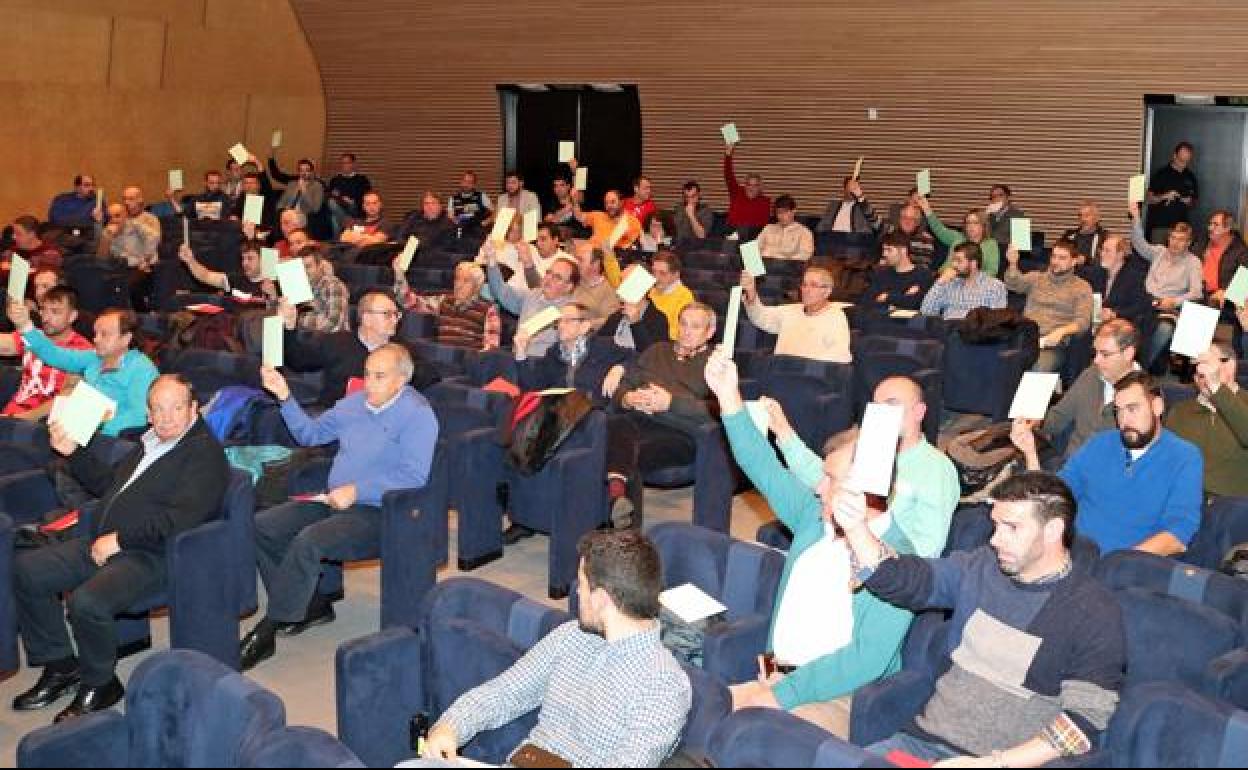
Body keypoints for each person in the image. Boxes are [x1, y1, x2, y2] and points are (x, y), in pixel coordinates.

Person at [705, 359, 945, 737]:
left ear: (870, 486)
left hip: (839, 697)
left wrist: (782, 694)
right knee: (699, 715)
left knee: (751, 737)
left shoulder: (897, 562)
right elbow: (762, 466)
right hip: (776, 674)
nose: (819, 488)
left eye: (830, 480)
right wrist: (728, 396)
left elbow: (866, 660)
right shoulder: (814, 516)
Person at [840, 471, 1125, 767]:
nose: (995, 539)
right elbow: (911, 580)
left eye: (1011, 528)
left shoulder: (1093, 610)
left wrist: (994, 763)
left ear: (1053, 530)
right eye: (995, 525)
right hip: (923, 744)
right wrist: (857, 529)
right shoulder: (981, 567)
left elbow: (1084, 720)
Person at [12, 375, 229, 723]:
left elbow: (181, 519)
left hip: (155, 555)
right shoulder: (150, 444)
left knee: (87, 601)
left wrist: (120, 540)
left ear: (194, 411)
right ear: (148, 413)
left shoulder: (203, 454)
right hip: (105, 543)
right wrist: (75, 453)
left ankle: (101, 683)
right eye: (158, 408)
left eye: (176, 407)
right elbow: (106, 485)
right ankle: (60, 665)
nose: (167, 416)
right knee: (27, 571)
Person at [413, 530, 691, 769]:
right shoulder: (572, 637)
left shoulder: (663, 686)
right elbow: (505, 692)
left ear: (603, 600)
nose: (577, 593)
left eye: (582, 585)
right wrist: (450, 727)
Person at [239, 345, 438, 670]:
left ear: (401, 381)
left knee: (309, 541)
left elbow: (414, 476)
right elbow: (309, 434)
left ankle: (269, 628)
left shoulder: (417, 414)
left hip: (381, 513)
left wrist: (359, 489)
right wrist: (286, 398)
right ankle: (310, 603)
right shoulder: (353, 405)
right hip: (335, 501)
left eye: (379, 377)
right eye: (367, 374)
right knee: (263, 527)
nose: (368, 384)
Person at [1013, 372, 1203, 557]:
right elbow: (1055, 496)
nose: (1124, 421)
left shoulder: (1184, 457)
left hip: (1121, 565)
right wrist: (1031, 453)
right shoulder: (1100, 443)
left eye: (1132, 409)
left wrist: (1121, 562)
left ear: (1157, 407)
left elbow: (1177, 535)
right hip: (1067, 549)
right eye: (1118, 411)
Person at [605, 303, 719, 528]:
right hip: (639, 419)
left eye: (695, 327)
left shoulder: (715, 363)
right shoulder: (657, 350)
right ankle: (617, 505)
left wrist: (670, 403)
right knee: (611, 427)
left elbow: (716, 410)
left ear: (710, 332)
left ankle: (619, 507)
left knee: (626, 452)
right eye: (683, 324)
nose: (686, 331)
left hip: (680, 433)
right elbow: (624, 385)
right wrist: (627, 398)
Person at [8, 303, 159, 437]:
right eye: (95, 333)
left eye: (104, 335)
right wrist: (25, 326)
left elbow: (139, 416)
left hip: (108, 440)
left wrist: (93, 425)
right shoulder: (95, 357)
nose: (96, 339)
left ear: (126, 339)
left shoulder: (142, 369)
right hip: (72, 431)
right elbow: (55, 355)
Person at [279, 290, 439, 407]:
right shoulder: (337, 342)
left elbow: (429, 377)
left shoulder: (400, 349)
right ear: (366, 318)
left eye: (396, 314)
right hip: (333, 417)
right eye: (387, 314)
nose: (394, 320)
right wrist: (289, 328)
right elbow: (297, 360)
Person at [1036, 320, 1141, 461]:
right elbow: (1058, 417)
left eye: (1105, 354)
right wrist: (1035, 423)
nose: (1096, 360)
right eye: (1095, 352)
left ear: (1128, 353)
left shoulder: (1145, 396)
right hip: (1069, 468)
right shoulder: (1090, 375)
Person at [1165, 342, 1248, 498]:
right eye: (1197, 368)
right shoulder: (1180, 411)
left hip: (1234, 506)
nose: (1201, 372)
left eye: (1207, 364)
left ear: (1230, 365)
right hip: (1186, 501)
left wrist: (1217, 387)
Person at [1128, 201, 1202, 369]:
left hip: (1168, 307)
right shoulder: (1159, 252)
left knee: (1164, 329)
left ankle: (1141, 369)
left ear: (1188, 243)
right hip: (1145, 302)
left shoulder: (1193, 262)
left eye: (1181, 240)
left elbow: (1196, 293)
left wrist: (1174, 301)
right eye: (1172, 238)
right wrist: (1136, 218)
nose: (1175, 243)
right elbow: (1139, 243)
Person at [1003, 239, 1094, 373]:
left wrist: (1061, 331)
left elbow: (1083, 322)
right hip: (1024, 338)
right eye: (1054, 256)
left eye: (1062, 258)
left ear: (1074, 261)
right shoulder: (1037, 278)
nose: (1055, 262)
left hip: (1052, 345)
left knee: (1038, 368)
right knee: (997, 360)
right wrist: (1012, 263)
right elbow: (1013, 284)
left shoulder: (1081, 287)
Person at [0, 287, 92, 419]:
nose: (46, 318)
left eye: (55, 312)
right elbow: (4, 344)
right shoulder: (33, 335)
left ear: (72, 316)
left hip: (46, 421)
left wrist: (27, 417)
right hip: (12, 415)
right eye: (43, 310)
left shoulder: (83, 350)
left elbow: (69, 395)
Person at [517, 303, 632, 408]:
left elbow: (635, 357)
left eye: (567, 320)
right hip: (561, 415)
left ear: (584, 326)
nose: (561, 325)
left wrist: (620, 368)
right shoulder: (552, 354)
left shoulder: (602, 346)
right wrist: (521, 352)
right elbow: (532, 386)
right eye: (559, 321)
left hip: (594, 411)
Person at [742, 265, 851, 363]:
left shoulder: (836, 318)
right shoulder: (791, 311)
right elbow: (762, 317)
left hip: (810, 378)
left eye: (813, 285)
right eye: (804, 285)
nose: (806, 290)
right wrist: (751, 292)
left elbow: (839, 357)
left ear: (827, 291)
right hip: (780, 374)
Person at [486, 251, 579, 358]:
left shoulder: (570, 312)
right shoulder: (532, 295)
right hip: (516, 357)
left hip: (540, 364)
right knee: (483, 358)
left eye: (557, 277)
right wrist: (492, 260)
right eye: (548, 273)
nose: (549, 279)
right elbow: (502, 293)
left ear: (568, 287)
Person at [395, 260, 501, 352]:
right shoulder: (444, 301)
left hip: (466, 365)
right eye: (457, 279)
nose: (459, 284)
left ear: (477, 286)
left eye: (466, 281)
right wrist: (399, 274)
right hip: (441, 359)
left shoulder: (488, 309)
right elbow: (408, 301)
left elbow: (490, 349)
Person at [1198, 210, 1248, 355]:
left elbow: (1244, 281)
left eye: (1215, 225)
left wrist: (1226, 292)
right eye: (1210, 224)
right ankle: (1191, 363)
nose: (1210, 228)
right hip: (1198, 291)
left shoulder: (1240, 251)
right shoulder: (1202, 244)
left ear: (1227, 228)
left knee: (1201, 309)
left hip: (1226, 299)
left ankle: (1198, 363)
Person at [1083, 233, 1154, 335]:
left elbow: (1140, 305)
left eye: (1107, 251)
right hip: (1097, 321)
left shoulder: (1135, 277)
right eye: (1102, 250)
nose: (1102, 254)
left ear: (1120, 254)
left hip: (1121, 325)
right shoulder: (1097, 273)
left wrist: (1114, 314)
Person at [919, 242, 1008, 321]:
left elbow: (997, 321)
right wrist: (940, 282)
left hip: (975, 335)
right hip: (947, 333)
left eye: (959, 261)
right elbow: (926, 312)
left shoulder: (994, 286)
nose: (954, 264)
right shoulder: (949, 283)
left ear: (973, 264)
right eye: (953, 260)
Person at [919, 196, 1001, 278]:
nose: (971, 226)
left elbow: (992, 272)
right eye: (968, 223)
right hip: (946, 278)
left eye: (975, 223)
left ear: (983, 225)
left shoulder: (991, 244)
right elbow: (939, 229)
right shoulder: (957, 237)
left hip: (975, 284)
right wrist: (927, 209)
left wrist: (971, 278)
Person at [598, 265, 670, 356]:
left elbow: (653, 358)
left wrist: (636, 323)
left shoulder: (658, 320)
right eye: (621, 282)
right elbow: (598, 343)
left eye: (626, 283)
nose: (620, 289)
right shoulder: (616, 316)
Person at [476, 220, 566, 294]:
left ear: (556, 240)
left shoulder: (565, 262)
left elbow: (543, 291)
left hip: (524, 300)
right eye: (537, 239)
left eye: (543, 239)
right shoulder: (529, 250)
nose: (538, 243)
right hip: (507, 292)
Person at [178, 239, 275, 302]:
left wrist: (273, 296)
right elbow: (206, 275)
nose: (244, 263)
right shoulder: (235, 279)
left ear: (264, 260)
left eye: (250, 258)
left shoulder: (277, 284)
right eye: (243, 258)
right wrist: (190, 261)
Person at [859, 232, 933, 313]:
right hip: (881, 321)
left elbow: (915, 304)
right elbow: (865, 302)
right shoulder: (882, 274)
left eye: (889, 250)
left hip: (908, 323)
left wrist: (887, 296)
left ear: (903, 250)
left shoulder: (923, 275)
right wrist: (902, 298)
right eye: (884, 250)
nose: (884, 254)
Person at [288, 245, 351, 334]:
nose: (303, 271)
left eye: (308, 266)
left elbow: (332, 325)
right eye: (300, 268)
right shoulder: (298, 284)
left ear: (320, 265)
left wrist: (296, 318)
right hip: (306, 338)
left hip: (332, 341)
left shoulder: (333, 285)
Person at [1147, 141, 1199, 243]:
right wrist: (1164, 196)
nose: (1183, 165)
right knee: (1159, 256)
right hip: (1160, 227)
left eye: (1186, 161)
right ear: (1174, 156)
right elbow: (1149, 199)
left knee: (1179, 258)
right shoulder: (1161, 174)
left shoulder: (1190, 177)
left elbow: (1194, 202)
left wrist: (1188, 201)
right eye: (1181, 160)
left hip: (1181, 229)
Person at [723, 141, 772, 238]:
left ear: (760, 187)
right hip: (731, 233)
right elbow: (728, 175)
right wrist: (728, 154)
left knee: (746, 231)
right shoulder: (737, 193)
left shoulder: (765, 202)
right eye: (749, 185)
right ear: (745, 185)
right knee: (729, 242)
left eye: (755, 185)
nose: (751, 188)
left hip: (751, 238)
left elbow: (762, 227)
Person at [572, 190, 642, 250]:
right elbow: (580, 216)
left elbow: (632, 247)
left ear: (621, 202)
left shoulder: (631, 221)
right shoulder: (599, 215)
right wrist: (575, 201)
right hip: (586, 252)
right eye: (606, 203)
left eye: (613, 202)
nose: (609, 206)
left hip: (606, 257)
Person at [571, 243, 620, 325]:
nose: (575, 263)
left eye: (580, 260)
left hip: (585, 334)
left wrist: (586, 324)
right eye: (575, 258)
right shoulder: (572, 280)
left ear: (595, 264)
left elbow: (610, 321)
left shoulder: (607, 289)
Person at [326, 153, 373, 235]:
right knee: (332, 205)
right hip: (339, 206)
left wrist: (352, 200)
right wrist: (335, 195)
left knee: (335, 218)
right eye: (343, 163)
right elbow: (328, 195)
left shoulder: (362, 179)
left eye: (348, 163)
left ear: (354, 164)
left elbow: (367, 196)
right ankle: (347, 224)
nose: (345, 165)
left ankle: (339, 239)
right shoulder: (335, 179)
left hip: (355, 207)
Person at [816, 177, 881, 235]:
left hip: (854, 241)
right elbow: (821, 226)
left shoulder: (863, 207)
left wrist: (861, 197)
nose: (852, 190)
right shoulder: (833, 205)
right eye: (850, 187)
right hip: (832, 238)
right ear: (844, 189)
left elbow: (876, 224)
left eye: (855, 188)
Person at [758, 196, 814, 261]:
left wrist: (782, 259)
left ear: (794, 211)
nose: (781, 216)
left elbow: (805, 254)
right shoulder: (768, 228)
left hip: (786, 265)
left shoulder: (803, 232)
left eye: (785, 212)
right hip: (762, 263)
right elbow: (755, 247)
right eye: (779, 212)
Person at [271, 157, 326, 223]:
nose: (304, 173)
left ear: (311, 172)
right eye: (301, 170)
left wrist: (304, 190)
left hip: (305, 216)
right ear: (298, 172)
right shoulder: (292, 184)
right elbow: (281, 202)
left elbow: (315, 209)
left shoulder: (317, 186)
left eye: (307, 170)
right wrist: (281, 211)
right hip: (288, 213)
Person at [1061, 202, 1109, 269]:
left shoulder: (1104, 237)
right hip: (1070, 273)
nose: (1083, 219)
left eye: (1087, 215)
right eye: (1080, 215)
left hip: (1093, 274)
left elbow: (1107, 261)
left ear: (1097, 218)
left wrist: (1086, 260)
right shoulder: (1069, 235)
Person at [890, 203, 937, 269]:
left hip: (914, 276)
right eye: (904, 217)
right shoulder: (890, 236)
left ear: (917, 223)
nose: (907, 222)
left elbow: (923, 268)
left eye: (911, 219)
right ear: (899, 220)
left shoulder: (926, 240)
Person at [670, 181, 714, 245]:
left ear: (698, 195)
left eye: (693, 196)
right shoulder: (679, 208)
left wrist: (691, 215)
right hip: (679, 244)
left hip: (697, 247)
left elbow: (701, 235)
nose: (690, 200)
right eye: (687, 197)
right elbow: (674, 229)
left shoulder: (705, 211)